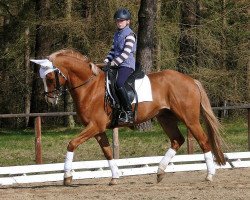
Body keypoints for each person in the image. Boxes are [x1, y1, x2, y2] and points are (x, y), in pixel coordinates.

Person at [104, 8, 136, 125]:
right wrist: (106, 60)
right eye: (117, 21)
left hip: (126, 65)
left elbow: (125, 53)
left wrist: (113, 63)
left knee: (119, 83)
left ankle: (128, 112)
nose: (119, 22)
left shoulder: (130, 35)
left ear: (128, 21)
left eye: (121, 20)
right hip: (116, 64)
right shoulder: (117, 34)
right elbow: (113, 51)